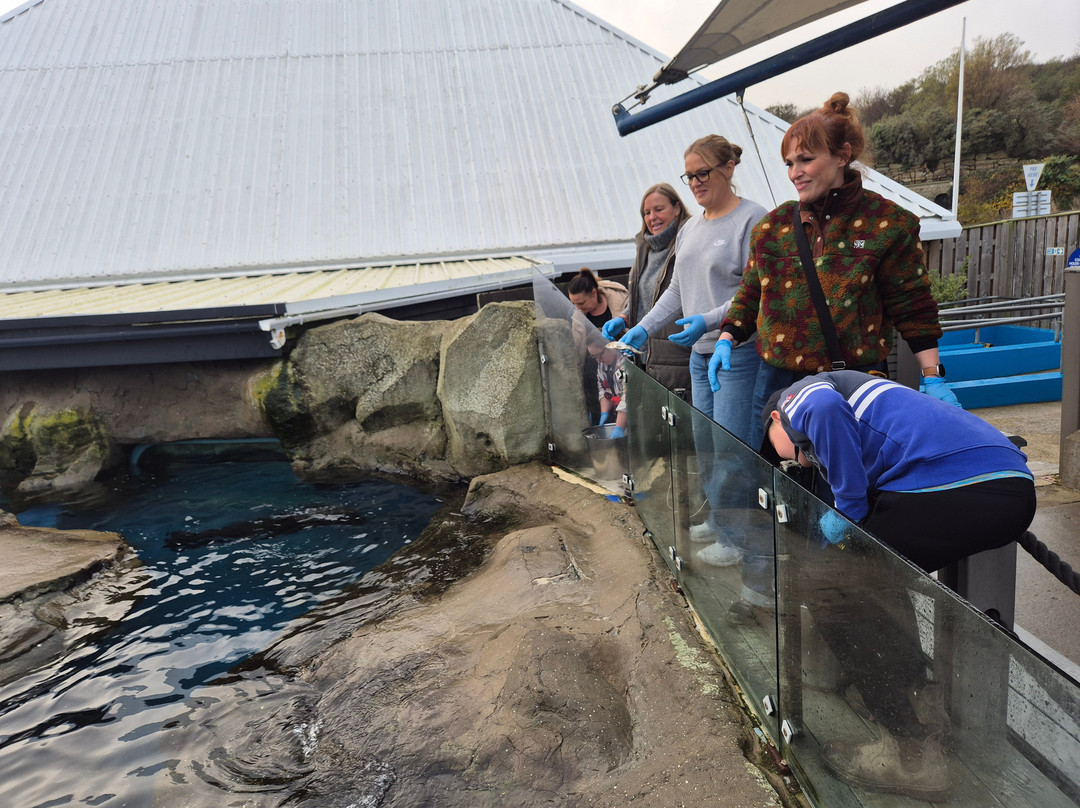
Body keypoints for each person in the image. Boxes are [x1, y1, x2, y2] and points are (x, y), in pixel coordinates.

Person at [760, 370, 1036, 800]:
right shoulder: (877, 400)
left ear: (777, 417)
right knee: (872, 574)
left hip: (953, 487)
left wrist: (849, 509)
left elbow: (820, 408)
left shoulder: (802, 396)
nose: (805, 460)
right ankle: (917, 699)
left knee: (827, 587)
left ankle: (909, 753)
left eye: (800, 451)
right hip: (1008, 486)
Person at [712, 92, 960, 457]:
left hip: (853, 381)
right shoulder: (772, 227)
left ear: (842, 156)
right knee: (778, 481)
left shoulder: (888, 223)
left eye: (806, 160)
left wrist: (932, 376)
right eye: (789, 162)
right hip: (778, 381)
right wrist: (727, 336)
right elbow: (751, 294)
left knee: (848, 485)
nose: (795, 172)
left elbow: (914, 307)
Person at [603, 135, 768, 571]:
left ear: (729, 168)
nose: (695, 182)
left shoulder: (753, 220)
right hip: (699, 354)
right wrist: (641, 327)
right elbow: (676, 290)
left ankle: (739, 539)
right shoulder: (692, 227)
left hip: (738, 352)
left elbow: (757, 291)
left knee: (734, 446)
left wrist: (711, 319)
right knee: (708, 443)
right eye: (689, 175)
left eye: (703, 173)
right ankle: (719, 519)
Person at [603, 183, 693, 392]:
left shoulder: (688, 243)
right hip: (642, 356)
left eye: (659, 209)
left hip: (675, 356)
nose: (652, 217)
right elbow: (643, 296)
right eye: (647, 212)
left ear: (677, 208)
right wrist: (624, 316)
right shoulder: (644, 248)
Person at [568, 267, 629, 424]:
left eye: (581, 303)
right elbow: (576, 349)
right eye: (574, 304)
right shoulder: (578, 316)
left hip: (626, 365)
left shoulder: (619, 299)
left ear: (594, 293)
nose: (577, 308)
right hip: (599, 373)